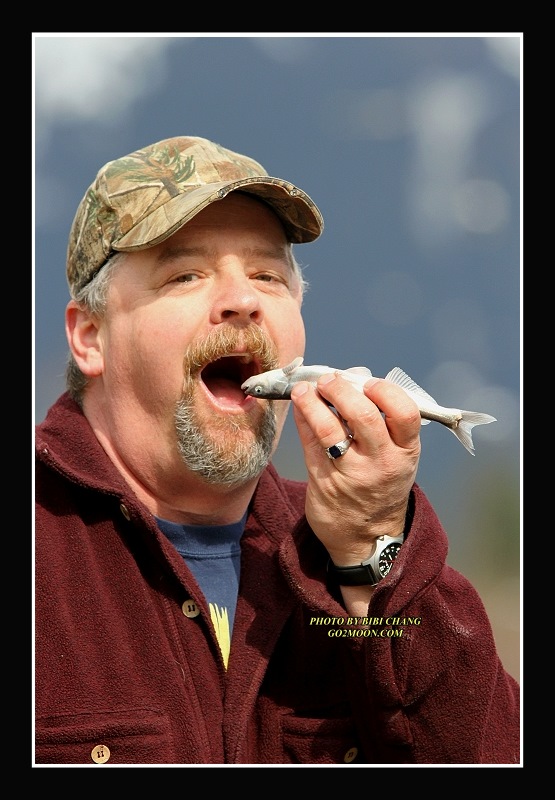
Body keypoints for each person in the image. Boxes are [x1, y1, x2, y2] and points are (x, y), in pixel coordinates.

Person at [35, 135, 520, 766]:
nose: (245, 300)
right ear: (91, 336)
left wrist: (371, 554)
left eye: (268, 275)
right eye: (185, 275)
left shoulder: (336, 546)